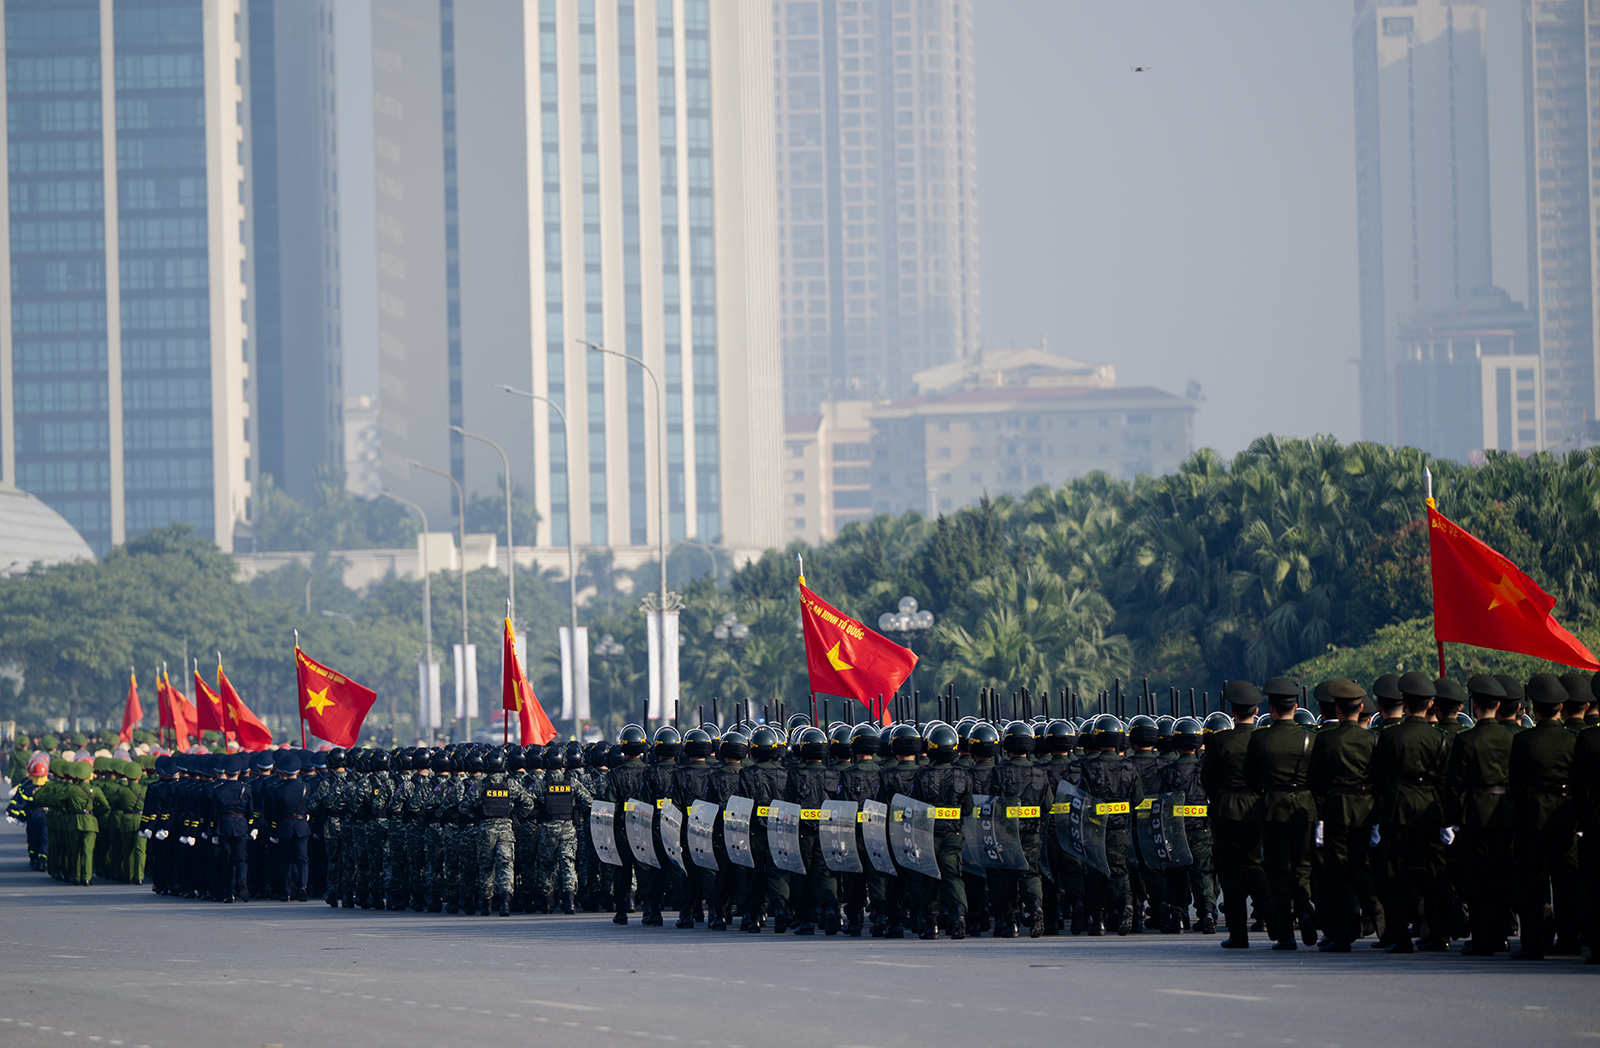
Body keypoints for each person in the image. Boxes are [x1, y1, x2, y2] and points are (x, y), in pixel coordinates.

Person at [1509, 674, 1580, 959]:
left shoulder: (1523, 739)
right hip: (1564, 814)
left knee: (1531, 882)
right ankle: (1569, 939)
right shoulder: (1572, 739)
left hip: (1532, 813)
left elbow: (1514, 784)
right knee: (1566, 879)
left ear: (1534, 709)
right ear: (1560, 708)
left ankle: (1533, 943)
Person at [1245, 677, 1318, 951]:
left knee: (1277, 870)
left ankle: (1286, 933)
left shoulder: (1260, 738)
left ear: (1271, 708)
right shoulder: (1310, 738)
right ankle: (1305, 909)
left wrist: (1268, 792)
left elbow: (1249, 777)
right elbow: (1318, 775)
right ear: (1296, 707)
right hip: (1304, 806)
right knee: (1303, 866)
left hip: (1273, 807)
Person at [1445, 675, 1514, 955]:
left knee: (1477, 877)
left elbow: (1454, 784)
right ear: (1497, 706)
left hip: (1475, 812)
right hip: (1505, 811)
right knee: (1502, 873)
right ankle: (1501, 934)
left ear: (1474, 705)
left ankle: (1483, 937)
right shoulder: (1510, 737)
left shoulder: (1466, 739)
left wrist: (1452, 818)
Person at [1307, 679, 1376, 952]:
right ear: (1360, 709)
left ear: (1337, 710)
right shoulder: (1371, 738)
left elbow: (1314, 779)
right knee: (1360, 864)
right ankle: (1374, 905)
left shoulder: (1326, 739)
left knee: (1337, 871)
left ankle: (1343, 934)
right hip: (1366, 808)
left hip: (1337, 807)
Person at [1203, 681, 1264, 948]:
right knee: (1253, 863)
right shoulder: (1262, 739)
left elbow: (1207, 778)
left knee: (1231, 871)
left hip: (1226, 807)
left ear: (1232, 712)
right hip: (1256, 808)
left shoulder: (1220, 740)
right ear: (1257, 711)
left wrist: (1218, 798)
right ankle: (1269, 908)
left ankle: (1239, 934)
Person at [265, 751, 312, 902]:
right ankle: (303, 886)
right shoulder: (306, 788)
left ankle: (287, 891)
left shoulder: (277, 789)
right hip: (301, 825)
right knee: (302, 859)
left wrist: (273, 831)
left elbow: (274, 814)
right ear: (298, 771)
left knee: (285, 860)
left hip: (284, 826)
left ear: (283, 772)